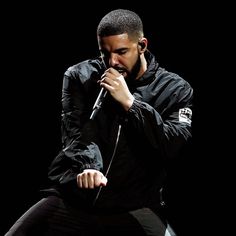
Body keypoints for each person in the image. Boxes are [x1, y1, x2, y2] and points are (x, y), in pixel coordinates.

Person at [5, 8, 193, 236]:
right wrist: (89, 167)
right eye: (105, 53)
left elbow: (172, 145)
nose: (112, 62)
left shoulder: (175, 89)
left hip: (134, 205)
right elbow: (75, 133)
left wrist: (131, 104)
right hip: (76, 201)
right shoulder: (79, 76)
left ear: (142, 46)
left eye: (122, 51)